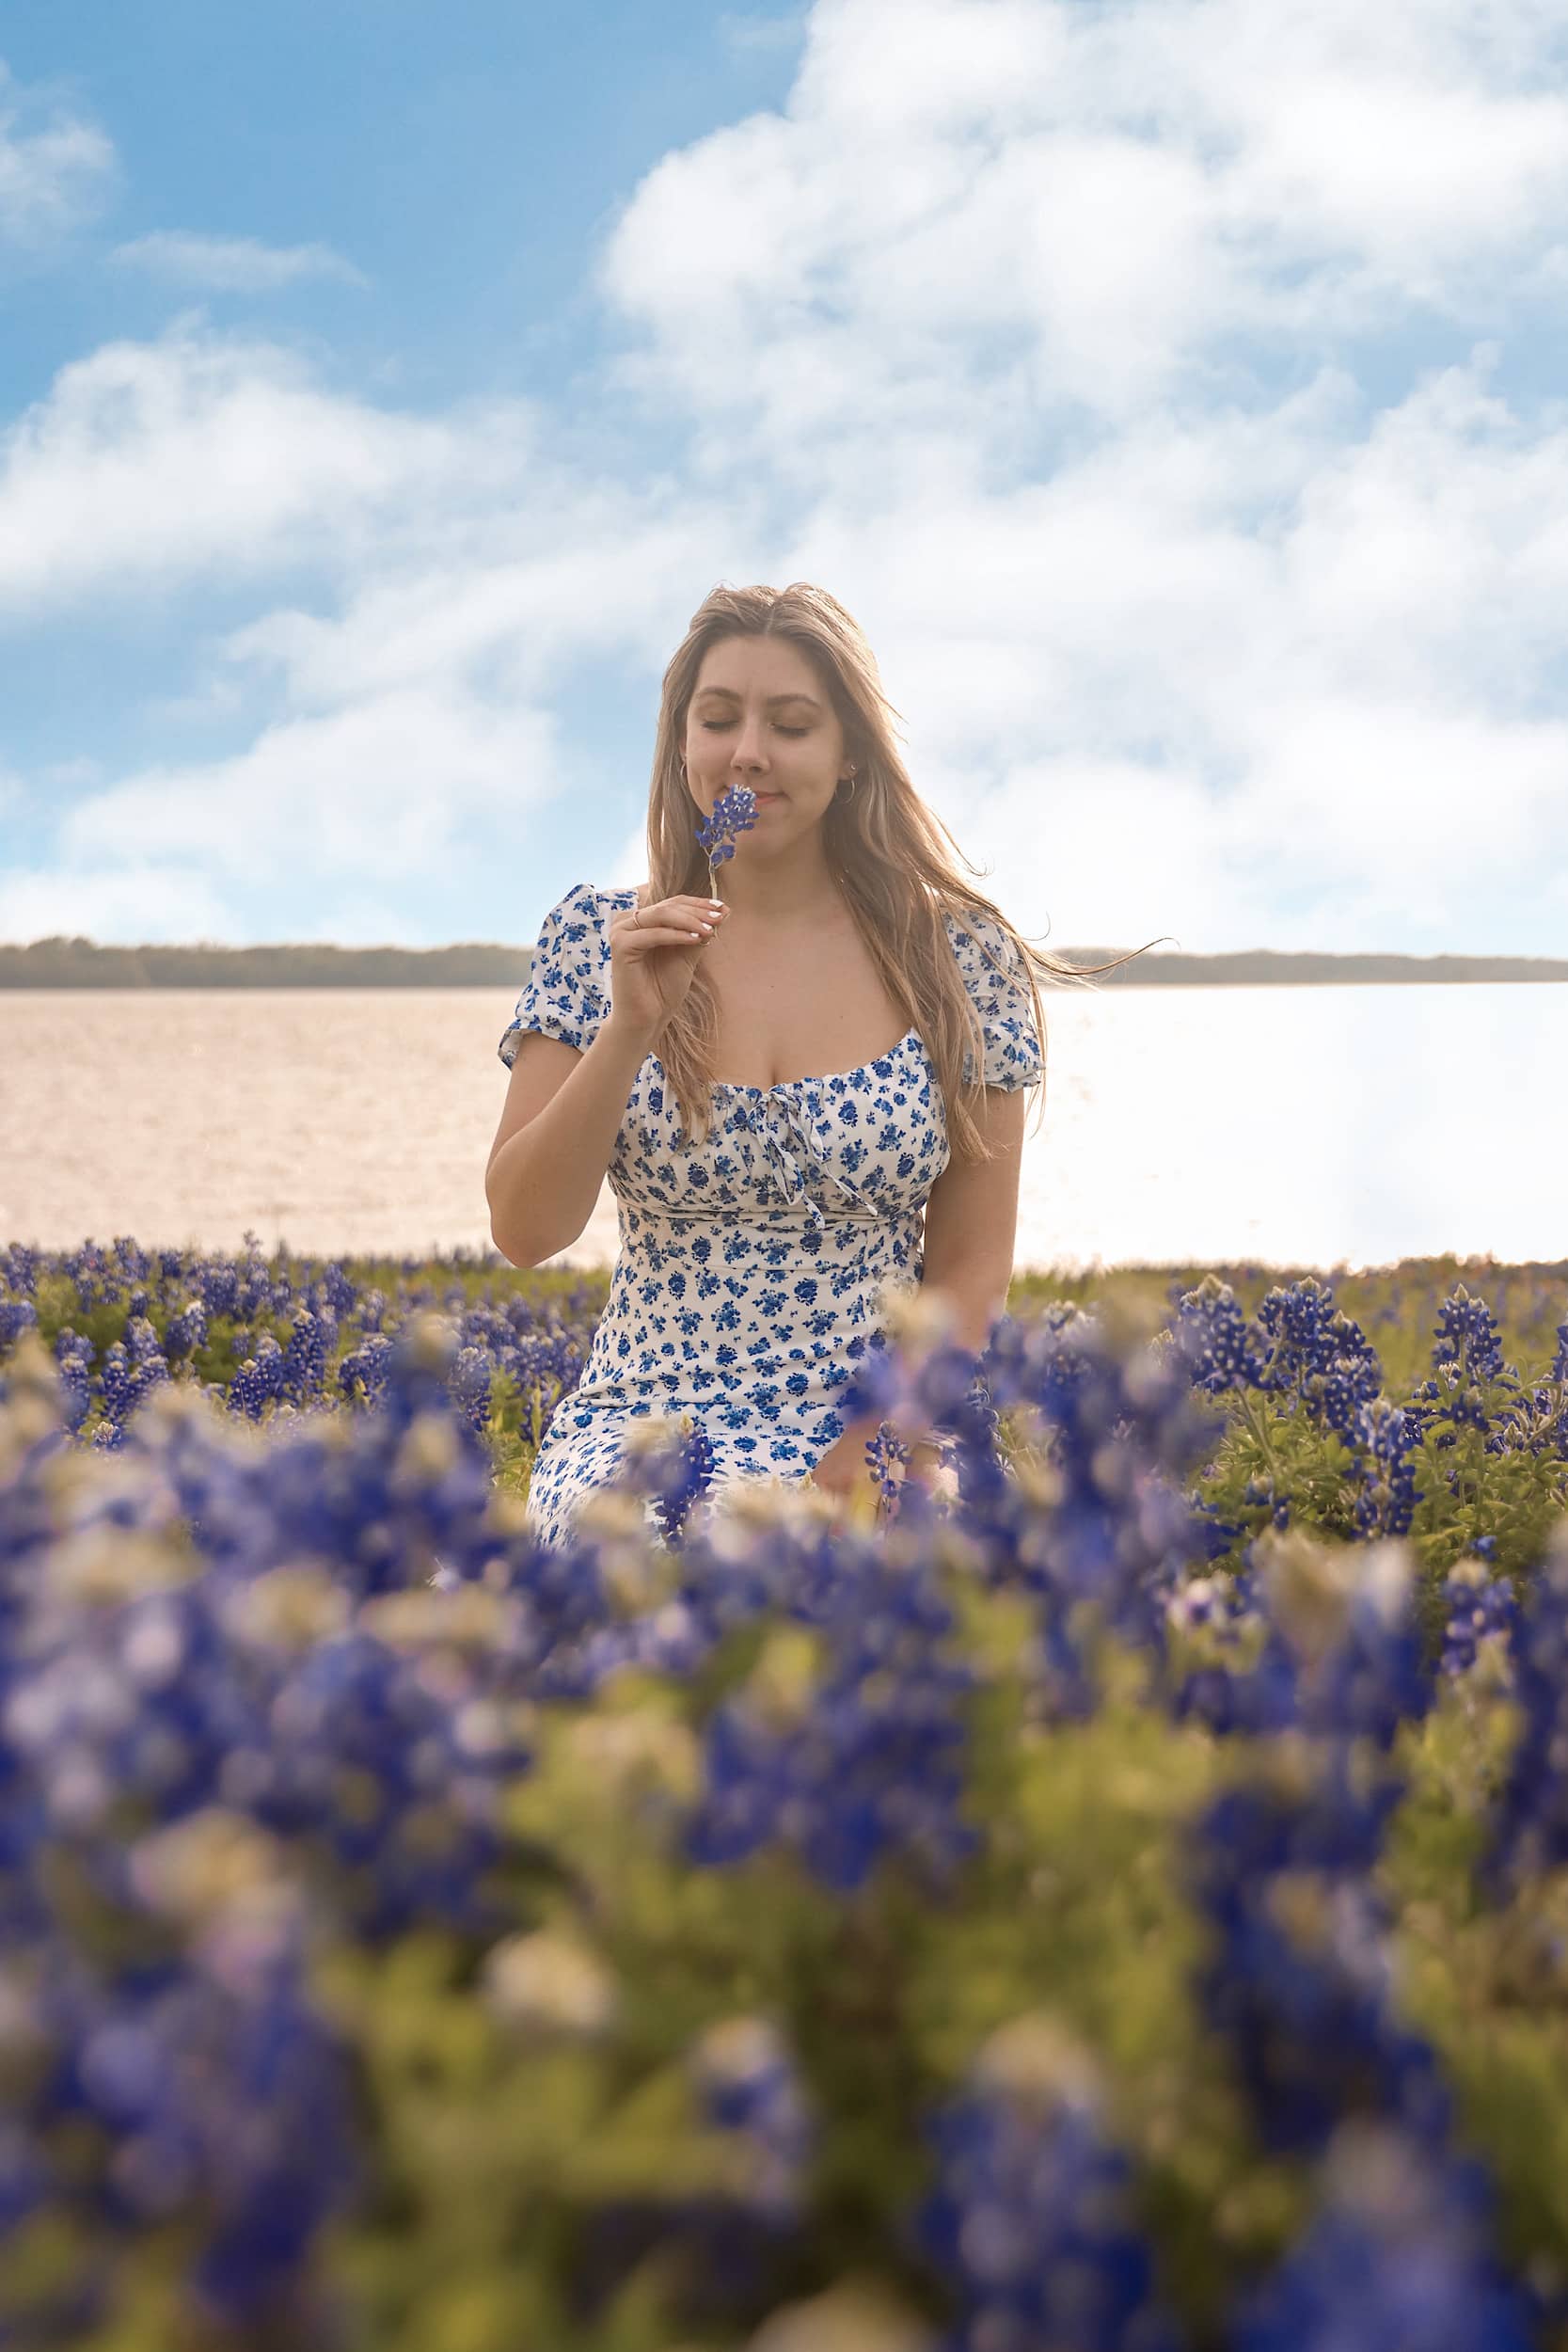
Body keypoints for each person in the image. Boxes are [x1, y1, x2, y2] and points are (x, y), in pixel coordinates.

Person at [486, 580, 1079, 1549]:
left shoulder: (956, 957)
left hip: (892, 1412)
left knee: (927, 1578)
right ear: (680, 743)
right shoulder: (596, 938)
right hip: (650, 1420)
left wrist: (881, 1442)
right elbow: (523, 1227)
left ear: (848, 755)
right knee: (677, 1551)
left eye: (791, 725)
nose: (747, 751)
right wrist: (628, 1027)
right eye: (717, 718)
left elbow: (972, 1263)